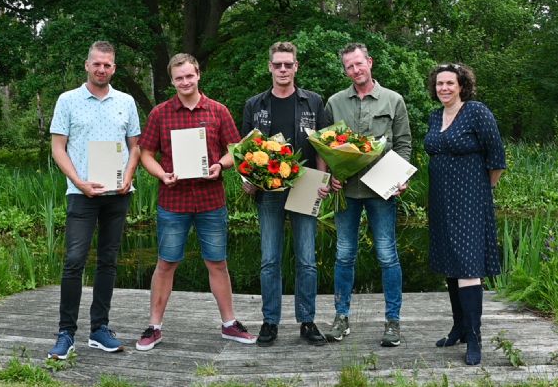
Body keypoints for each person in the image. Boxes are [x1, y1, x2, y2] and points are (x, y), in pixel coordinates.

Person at [134, 53, 255, 351]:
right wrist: (161, 174)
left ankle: (229, 323)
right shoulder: (160, 114)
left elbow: (235, 149)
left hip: (210, 200)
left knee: (217, 262)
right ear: (172, 81)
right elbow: (145, 153)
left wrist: (221, 165)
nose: (185, 82)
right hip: (173, 201)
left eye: (189, 76)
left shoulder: (218, 111)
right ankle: (154, 326)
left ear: (198, 74)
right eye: (179, 78)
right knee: (166, 263)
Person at [48, 41, 141, 359]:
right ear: (87, 65)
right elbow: (58, 147)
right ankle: (66, 332)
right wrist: (79, 182)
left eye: (107, 65)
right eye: (97, 64)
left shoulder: (126, 101)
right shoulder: (68, 100)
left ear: (114, 68)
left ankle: (100, 329)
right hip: (81, 194)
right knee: (74, 261)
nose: (102, 69)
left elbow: (135, 146)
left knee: (108, 261)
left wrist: (128, 176)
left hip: (118, 194)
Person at [241, 41, 330, 347]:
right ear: (270, 67)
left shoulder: (313, 102)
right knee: (269, 259)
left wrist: (323, 179)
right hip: (269, 189)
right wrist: (247, 178)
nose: (282, 69)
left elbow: (321, 146)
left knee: (306, 259)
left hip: (305, 184)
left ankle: (307, 321)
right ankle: (270, 322)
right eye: (277, 64)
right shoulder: (255, 105)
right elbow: (245, 149)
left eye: (288, 64)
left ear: (296, 67)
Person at [323, 43, 412, 347]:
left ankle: (393, 321)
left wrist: (400, 177)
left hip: (381, 190)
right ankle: (341, 317)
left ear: (370, 62)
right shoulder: (334, 103)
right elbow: (325, 145)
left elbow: (404, 144)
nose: (355, 70)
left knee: (387, 254)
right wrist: (331, 174)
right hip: (346, 191)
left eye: (359, 63)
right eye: (349, 66)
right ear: (345, 70)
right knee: (344, 254)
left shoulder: (393, 100)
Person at [424, 63, 506, 365]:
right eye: (439, 83)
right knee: (451, 262)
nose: (444, 88)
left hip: (470, 198)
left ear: (462, 85)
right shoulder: (435, 116)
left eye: (450, 83)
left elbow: (496, 156)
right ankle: (458, 327)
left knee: (469, 266)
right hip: (440, 199)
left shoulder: (476, 112)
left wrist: (483, 190)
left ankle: (474, 337)